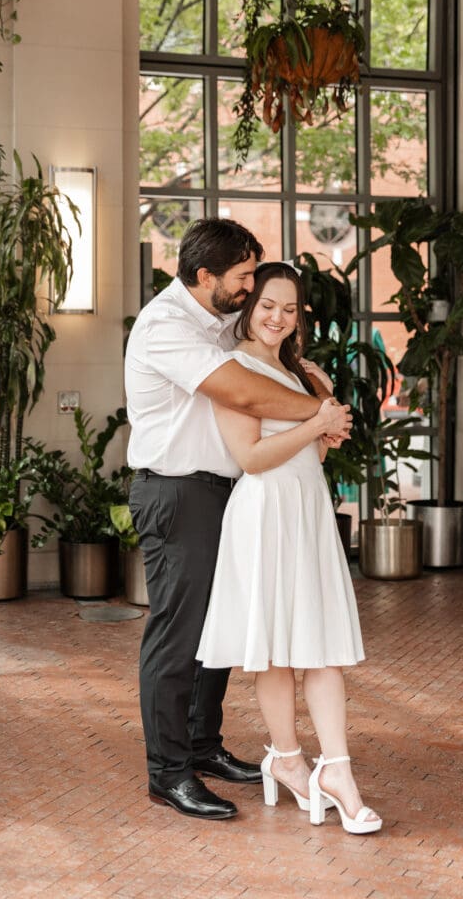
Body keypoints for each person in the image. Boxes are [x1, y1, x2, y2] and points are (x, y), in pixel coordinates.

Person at [125, 221, 352, 822]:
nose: (252, 290)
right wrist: (322, 412)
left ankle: (203, 747)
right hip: (177, 491)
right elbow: (246, 394)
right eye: (245, 278)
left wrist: (313, 399)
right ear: (206, 278)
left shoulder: (219, 319)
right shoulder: (166, 326)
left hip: (225, 491)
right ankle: (169, 773)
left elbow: (268, 351)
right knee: (177, 635)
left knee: (216, 632)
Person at [196, 262, 382, 835]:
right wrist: (316, 422)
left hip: (307, 507)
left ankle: (338, 773)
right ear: (248, 307)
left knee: (321, 647)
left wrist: (326, 424)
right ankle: (287, 756)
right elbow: (249, 458)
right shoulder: (232, 372)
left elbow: (317, 456)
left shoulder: (304, 374)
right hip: (262, 511)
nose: (278, 317)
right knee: (275, 650)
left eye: (290, 308)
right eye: (268, 305)